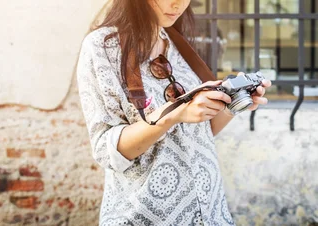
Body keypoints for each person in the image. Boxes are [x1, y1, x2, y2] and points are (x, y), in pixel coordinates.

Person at [76, 0, 271, 225]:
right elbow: (106, 150)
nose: (178, 3)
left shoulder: (179, 43)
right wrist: (175, 113)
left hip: (211, 214)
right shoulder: (101, 47)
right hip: (145, 217)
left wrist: (232, 105)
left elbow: (201, 133)